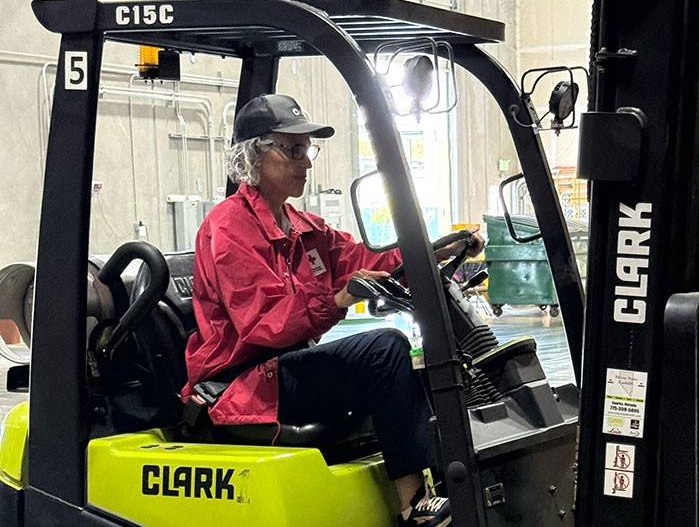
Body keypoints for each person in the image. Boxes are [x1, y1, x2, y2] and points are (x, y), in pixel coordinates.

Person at [182, 93, 483, 527]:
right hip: (246, 380)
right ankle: (413, 507)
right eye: (293, 149)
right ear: (254, 155)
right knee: (384, 351)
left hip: (286, 367)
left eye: (308, 150)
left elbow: (367, 258)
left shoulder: (305, 227)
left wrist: (434, 249)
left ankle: (450, 489)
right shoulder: (229, 228)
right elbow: (264, 324)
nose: (306, 162)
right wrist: (339, 298)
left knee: (421, 368)